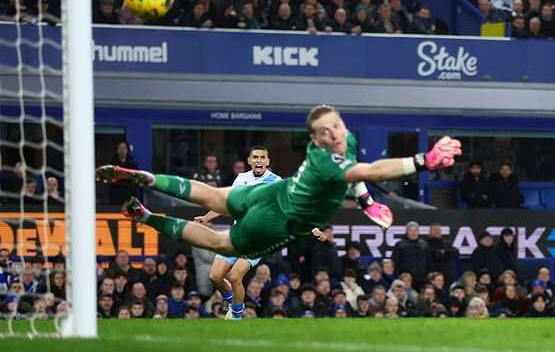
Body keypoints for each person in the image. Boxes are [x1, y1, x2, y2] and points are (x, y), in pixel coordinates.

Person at [97, 105, 461, 268]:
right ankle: (145, 215)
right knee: (219, 241)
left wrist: (366, 204)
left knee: (216, 196)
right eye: (325, 132)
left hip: (273, 191)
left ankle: (147, 177)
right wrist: (423, 161)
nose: (335, 134)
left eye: (337, 126)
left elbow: (356, 175)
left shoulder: (342, 144)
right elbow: (368, 172)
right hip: (278, 222)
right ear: (315, 140)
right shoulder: (325, 159)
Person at [193, 145, 281, 319]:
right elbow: (227, 203)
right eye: (255, 157)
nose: (259, 160)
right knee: (215, 276)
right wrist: (206, 217)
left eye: (262, 157)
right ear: (249, 161)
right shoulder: (242, 178)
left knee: (234, 277)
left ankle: (236, 316)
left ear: (267, 161)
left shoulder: (276, 182)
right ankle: (233, 300)